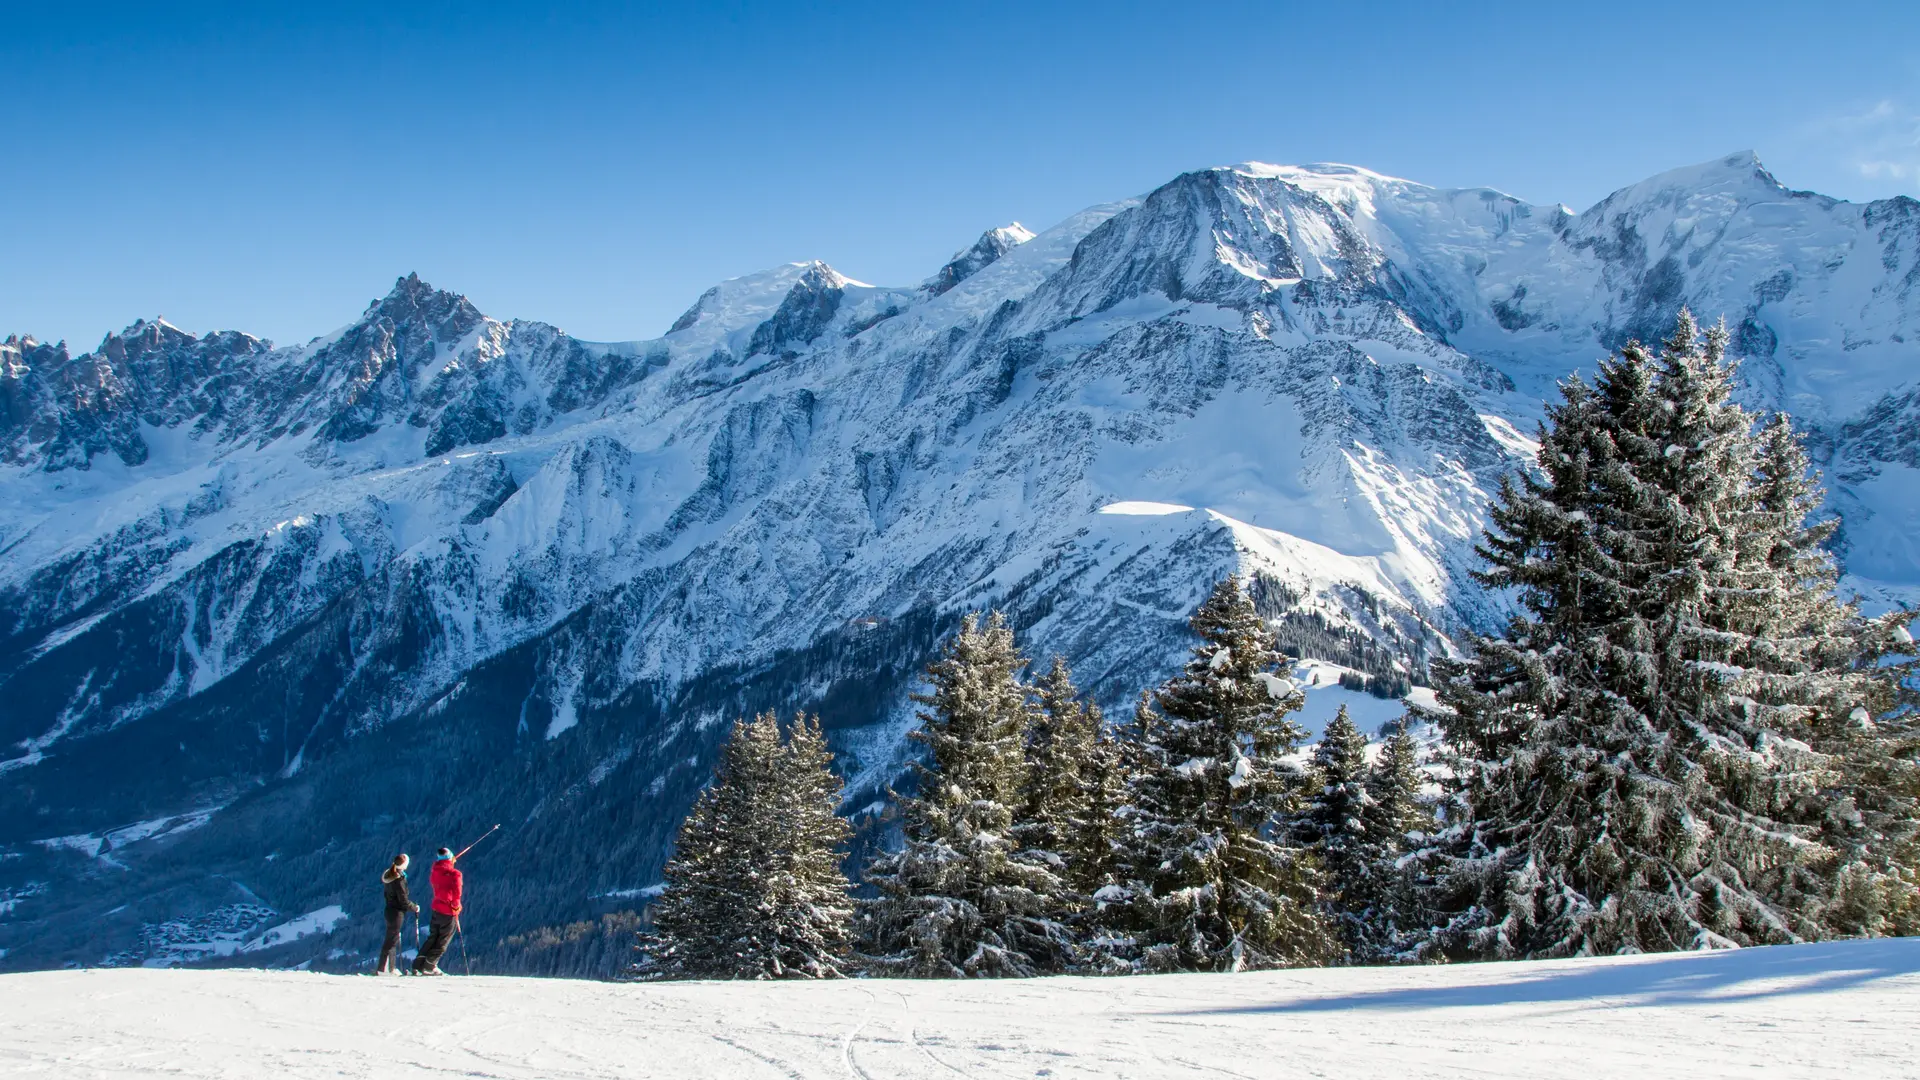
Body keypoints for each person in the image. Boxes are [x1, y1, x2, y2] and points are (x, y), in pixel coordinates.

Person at [410, 847, 463, 975]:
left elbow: (443, 875)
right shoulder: (455, 874)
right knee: (443, 941)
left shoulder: (435, 871)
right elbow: (457, 894)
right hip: (448, 911)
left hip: (437, 909)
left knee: (432, 937)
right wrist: (456, 908)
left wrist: (449, 862)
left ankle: (418, 965)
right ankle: (430, 966)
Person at [376, 854, 419, 974]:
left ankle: (388, 968)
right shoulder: (399, 880)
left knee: (391, 939)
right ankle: (385, 969)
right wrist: (414, 907)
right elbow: (403, 901)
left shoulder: (389, 875)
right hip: (397, 913)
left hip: (389, 910)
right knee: (391, 940)